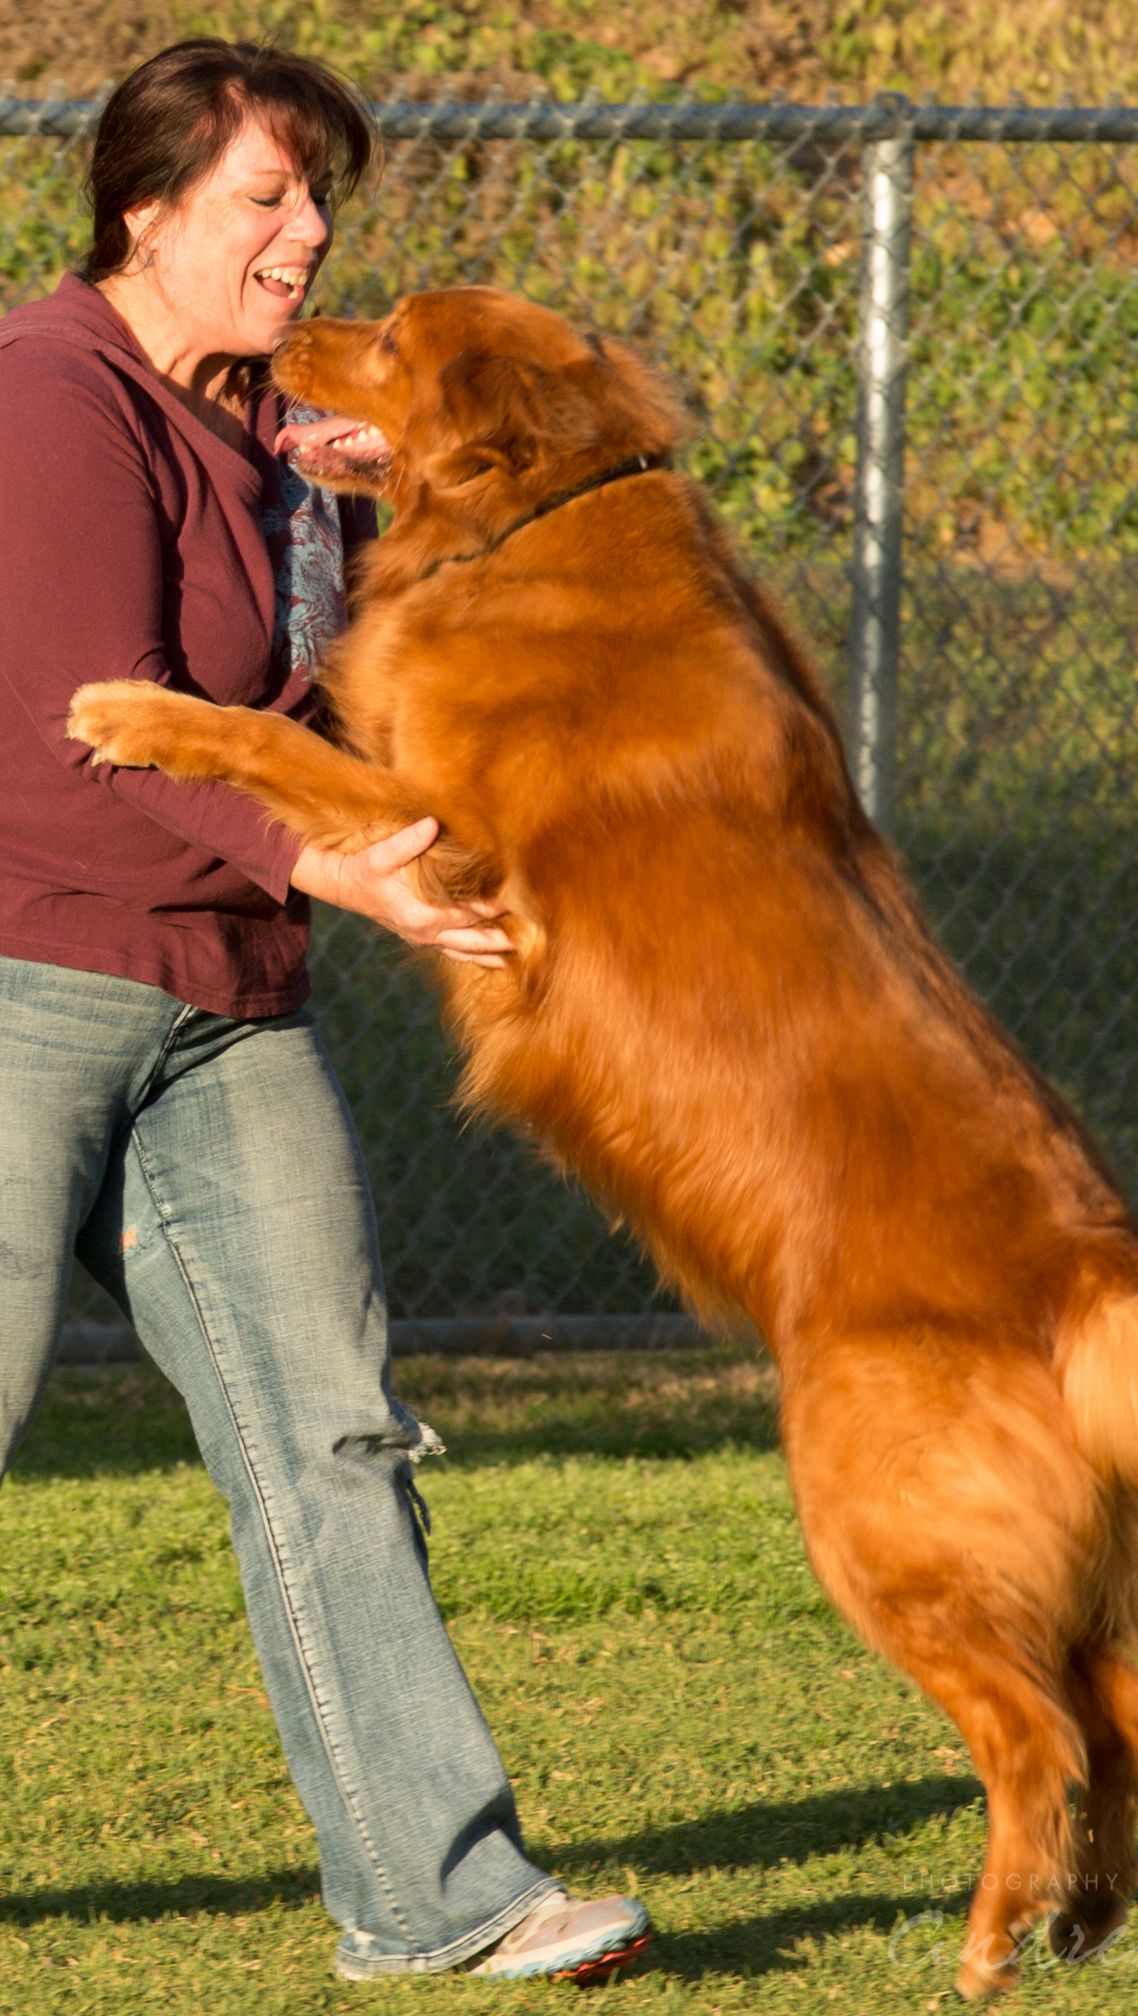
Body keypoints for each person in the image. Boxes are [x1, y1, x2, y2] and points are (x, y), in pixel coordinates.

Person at [0, 37, 649, 1986]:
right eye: (266, 199)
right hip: (34, 977)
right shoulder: (54, 397)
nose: (309, 236)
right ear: (147, 210)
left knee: (331, 1434)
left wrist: (402, 502)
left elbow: (330, 699)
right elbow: (68, 736)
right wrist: (323, 862)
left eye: (320, 199)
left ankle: (435, 1901)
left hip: (225, 1005)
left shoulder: (276, 438)